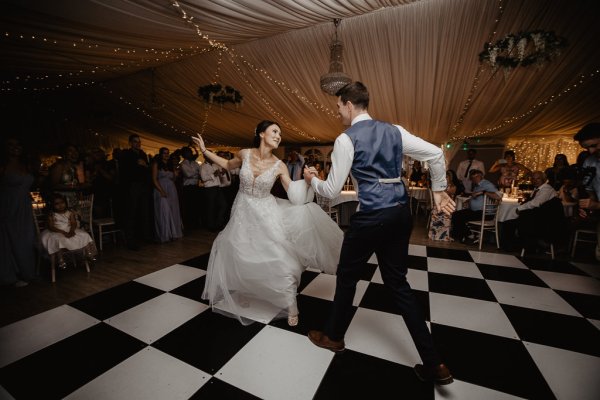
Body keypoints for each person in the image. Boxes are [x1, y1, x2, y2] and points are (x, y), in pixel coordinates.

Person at [303, 82, 455, 385]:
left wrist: (312, 179)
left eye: (338, 108)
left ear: (348, 104)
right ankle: (435, 363)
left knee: (347, 278)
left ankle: (333, 337)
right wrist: (438, 190)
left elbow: (332, 192)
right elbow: (436, 154)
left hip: (371, 216)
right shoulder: (395, 130)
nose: (338, 114)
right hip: (400, 213)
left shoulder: (345, 139)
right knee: (398, 283)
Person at [192, 120, 343, 327]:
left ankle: (291, 306)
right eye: (274, 131)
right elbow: (227, 165)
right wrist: (204, 151)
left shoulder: (279, 165)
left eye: (280, 133)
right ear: (261, 133)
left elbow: (294, 194)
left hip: (267, 214)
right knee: (241, 252)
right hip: (242, 212)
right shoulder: (245, 154)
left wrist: (307, 181)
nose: (278, 136)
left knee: (279, 258)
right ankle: (245, 289)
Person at [0, 138, 38, 287]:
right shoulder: (3, 166)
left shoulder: (25, 164)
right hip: (9, 207)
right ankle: (11, 277)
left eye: (18, 144)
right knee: (9, 240)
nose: (15, 147)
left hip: (25, 207)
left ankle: (28, 273)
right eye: (11, 144)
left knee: (27, 239)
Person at [40, 193, 98, 269]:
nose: (60, 205)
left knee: (84, 235)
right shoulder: (52, 214)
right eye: (57, 204)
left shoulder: (69, 213)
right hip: (57, 230)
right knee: (59, 240)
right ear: (52, 205)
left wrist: (72, 231)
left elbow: (73, 223)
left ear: (65, 203)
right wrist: (63, 232)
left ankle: (89, 253)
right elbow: (51, 227)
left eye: (62, 203)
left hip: (69, 228)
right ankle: (61, 260)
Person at [572, 123, 600, 261]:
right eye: (586, 147)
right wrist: (589, 206)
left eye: (594, 145)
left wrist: (597, 205)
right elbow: (590, 189)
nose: (590, 151)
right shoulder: (589, 162)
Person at [450, 169, 502, 244]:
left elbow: (498, 196)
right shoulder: (477, 186)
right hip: (476, 211)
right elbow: (476, 196)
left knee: (459, 217)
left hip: (485, 213)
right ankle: (463, 235)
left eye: (476, 177)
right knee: (455, 214)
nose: (474, 179)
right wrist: (469, 200)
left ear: (481, 176)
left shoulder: (487, 184)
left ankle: (469, 236)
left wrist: (483, 192)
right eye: (472, 177)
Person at [119, 134, 152, 250]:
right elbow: (123, 172)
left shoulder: (143, 154)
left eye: (139, 142)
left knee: (144, 212)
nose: (138, 143)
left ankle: (146, 237)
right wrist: (137, 165)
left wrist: (145, 165)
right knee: (131, 214)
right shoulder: (126, 154)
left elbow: (149, 169)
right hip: (132, 186)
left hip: (143, 186)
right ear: (130, 143)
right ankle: (130, 241)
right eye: (135, 141)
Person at [151, 147, 183, 243]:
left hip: (172, 189)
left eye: (168, 153)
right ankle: (165, 234)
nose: (166, 155)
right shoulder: (156, 164)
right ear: (160, 154)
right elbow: (154, 179)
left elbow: (173, 179)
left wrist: (175, 175)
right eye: (164, 153)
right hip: (160, 188)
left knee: (173, 210)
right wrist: (161, 190)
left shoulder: (170, 165)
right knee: (164, 211)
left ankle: (173, 233)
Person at [429, 170, 463, 241]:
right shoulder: (442, 185)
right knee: (436, 210)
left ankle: (444, 236)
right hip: (440, 205)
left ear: (450, 178)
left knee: (446, 212)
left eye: (446, 177)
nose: (445, 178)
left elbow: (449, 194)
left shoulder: (453, 186)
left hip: (448, 205)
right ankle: (434, 235)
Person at [179, 146, 203, 230]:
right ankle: (189, 225)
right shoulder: (182, 164)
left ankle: (195, 224)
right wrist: (196, 173)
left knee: (196, 206)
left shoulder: (195, 163)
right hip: (187, 188)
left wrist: (195, 173)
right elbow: (188, 175)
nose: (190, 153)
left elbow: (200, 173)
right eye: (188, 152)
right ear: (184, 154)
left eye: (190, 152)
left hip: (195, 187)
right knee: (189, 207)